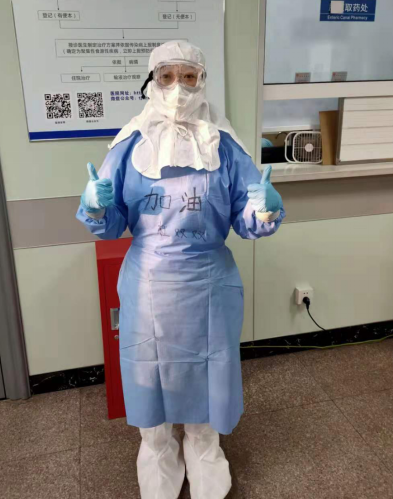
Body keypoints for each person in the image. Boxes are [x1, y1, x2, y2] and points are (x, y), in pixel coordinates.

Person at [77, 41, 285, 499]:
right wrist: (95, 207)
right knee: (148, 371)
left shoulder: (224, 146)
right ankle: (157, 453)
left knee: (210, 373)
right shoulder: (130, 144)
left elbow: (248, 217)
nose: (178, 87)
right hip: (148, 283)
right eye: (167, 76)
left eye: (188, 76)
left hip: (209, 282)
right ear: (151, 81)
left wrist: (265, 211)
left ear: (202, 81)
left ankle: (205, 452)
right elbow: (110, 223)